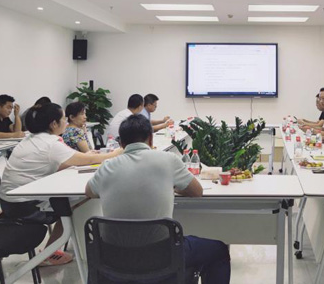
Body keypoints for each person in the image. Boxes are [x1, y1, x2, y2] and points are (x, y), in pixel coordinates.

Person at [86, 115, 231, 283]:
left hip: (113, 258)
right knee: (218, 251)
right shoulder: (168, 160)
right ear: (151, 138)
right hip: (162, 257)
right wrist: (171, 186)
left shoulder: (106, 167)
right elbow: (197, 191)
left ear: (121, 143)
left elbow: (89, 192)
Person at [0, 103, 121, 266]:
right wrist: (117, 152)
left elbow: (64, 160)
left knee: (71, 200)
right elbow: (89, 159)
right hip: (24, 205)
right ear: (54, 124)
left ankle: (58, 247)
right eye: (63, 118)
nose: (66, 121)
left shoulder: (32, 139)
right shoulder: (50, 143)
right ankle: (50, 253)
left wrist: (85, 157)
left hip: (10, 201)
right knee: (78, 202)